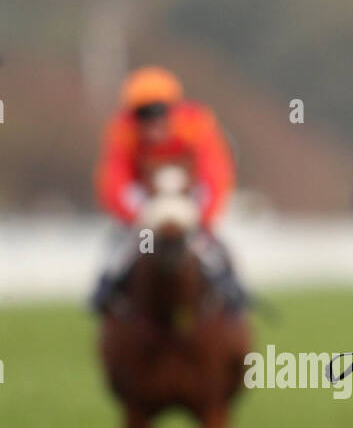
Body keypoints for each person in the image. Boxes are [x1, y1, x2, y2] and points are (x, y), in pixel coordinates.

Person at [90, 66, 245, 312]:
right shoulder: (121, 132)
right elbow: (114, 181)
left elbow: (215, 173)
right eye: (143, 114)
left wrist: (202, 215)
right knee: (118, 246)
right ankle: (106, 287)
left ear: (173, 109)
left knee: (212, 247)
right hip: (144, 204)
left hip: (189, 202)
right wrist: (138, 215)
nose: (152, 121)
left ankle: (230, 286)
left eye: (159, 112)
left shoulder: (197, 124)